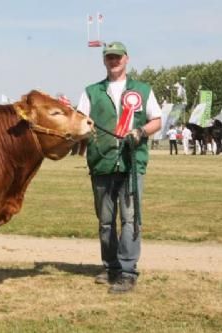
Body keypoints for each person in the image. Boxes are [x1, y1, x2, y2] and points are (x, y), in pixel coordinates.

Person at [77, 41, 162, 293]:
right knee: (105, 221)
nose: (113, 61)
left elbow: (156, 120)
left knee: (129, 219)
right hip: (101, 162)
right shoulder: (91, 91)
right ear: (104, 61)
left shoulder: (142, 90)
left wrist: (141, 131)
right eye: (109, 57)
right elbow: (81, 122)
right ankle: (111, 266)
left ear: (127, 59)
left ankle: (127, 271)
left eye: (117, 57)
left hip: (131, 164)